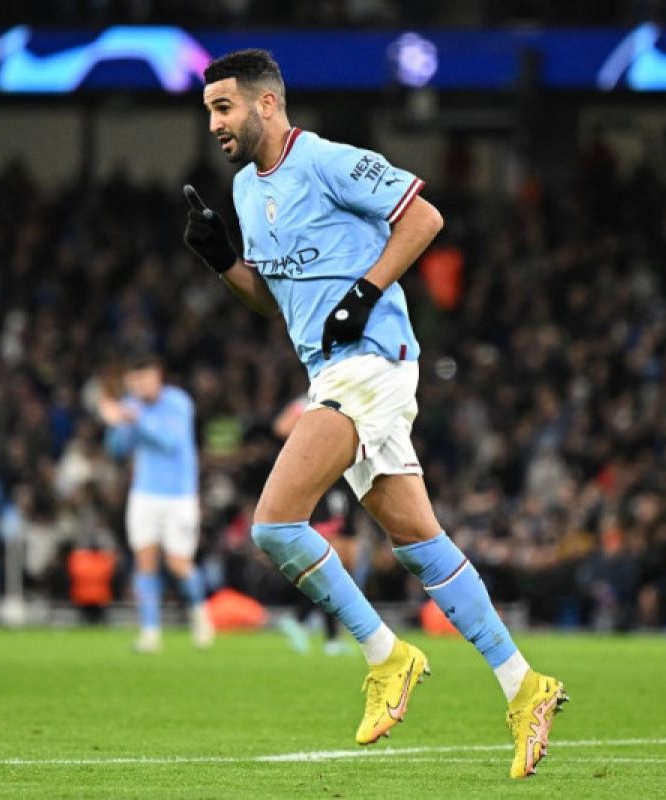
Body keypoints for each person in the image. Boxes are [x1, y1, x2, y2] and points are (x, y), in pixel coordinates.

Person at [182, 49, 565, 779]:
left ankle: (387, 654)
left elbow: (423, 216)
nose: (215, 124)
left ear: (267, 104)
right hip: (331, 369)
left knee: (273, 523)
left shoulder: (326, 160)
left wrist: (367, 288)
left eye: (223, 107)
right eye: (209, 111)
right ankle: (525, 686)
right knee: (419, 539)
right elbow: (274, 301)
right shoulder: (241, 190)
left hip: (372, 361)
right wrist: (222, 262)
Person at [98, 353, 214, 652]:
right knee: (144, 564)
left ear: (158, 376)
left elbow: (170, 441)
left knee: (178, 564)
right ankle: (150, 633)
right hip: (144, 494)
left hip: (179, 496)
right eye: (136, 379)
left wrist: (133, 418)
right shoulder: (132, 407)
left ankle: (200, 614)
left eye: (146, 376)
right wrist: (113, 424)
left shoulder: (178, 402)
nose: (142, 384)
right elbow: (117, 449)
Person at [273, 396, 356, 656]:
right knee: (331, 566)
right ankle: (308, 625)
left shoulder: (354, 393)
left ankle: (315, 628)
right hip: (326, 481)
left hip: (346, 478)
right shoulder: (317, 398)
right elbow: (282, 426)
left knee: (344, 566)